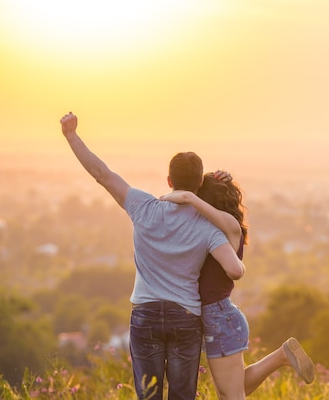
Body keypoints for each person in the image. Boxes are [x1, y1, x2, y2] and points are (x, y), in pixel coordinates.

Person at [59, 112, 245, 400]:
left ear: (169, 180)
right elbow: (235, 270)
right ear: (198, 185)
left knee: (149, 396)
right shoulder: (208, 226)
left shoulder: (143, 206)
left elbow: (102, 174)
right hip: (186, 317)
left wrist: (71, 136)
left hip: (144, 315)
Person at [161, 172, 315, 399]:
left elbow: (189, 204)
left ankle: (281, 356)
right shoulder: (213, 231)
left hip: (220, 318)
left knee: (231, 395)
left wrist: (190, 197)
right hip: (219, 317)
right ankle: (281, 356)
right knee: (230, 391)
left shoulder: (227, 229)